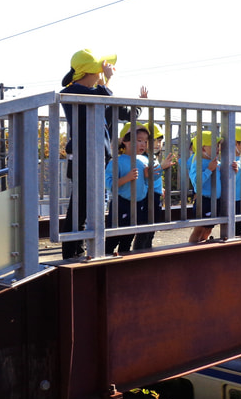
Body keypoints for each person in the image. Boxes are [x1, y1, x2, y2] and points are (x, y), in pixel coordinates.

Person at [59, 49, 131, 259]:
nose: (102, 72)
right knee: (81, 204)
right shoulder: (74, 91)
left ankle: (78, 248)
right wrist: (107, 80)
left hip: (93, 155)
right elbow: (104, 98)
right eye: (98, 69)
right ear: (90, 71)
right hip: (85, 156)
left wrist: (103, 82)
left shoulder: (84, 90)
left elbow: (105, 100)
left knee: (87, 204)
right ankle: (72, 251)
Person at [105, 122, 152, 255]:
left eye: (145, 141)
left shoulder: (144, 160)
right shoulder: (117, 161)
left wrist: (148, 177)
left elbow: (146, 183)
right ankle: (105, 260)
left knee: (128, 238)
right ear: (125, 141)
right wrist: (127, 178)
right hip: (122, 203)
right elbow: (108, 183)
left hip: (139, 204)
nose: (143, 144)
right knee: (113, 238)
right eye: (139, 140)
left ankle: (124, 261)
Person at [134, 122, 177, 249]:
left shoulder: (151, 156)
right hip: (147, 197)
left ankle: (146, 252)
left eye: (160, 140)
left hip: (154, 195)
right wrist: (161, 167)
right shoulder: (141, 157)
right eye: (154, 140)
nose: (158, 144)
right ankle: (140, 254)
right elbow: (145, 176)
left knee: (151, 230)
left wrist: (159, 188)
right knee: (145, 231)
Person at [188, 131, 230, 243]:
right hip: (204, 200)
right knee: (199, 229)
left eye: (218, 146)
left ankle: (203, 247)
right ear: (203, 149)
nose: (218, 149)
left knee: (208, 229)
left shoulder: (216, 162)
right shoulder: (198, 163)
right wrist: (209, 170)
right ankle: (192, 249)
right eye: (214, 146)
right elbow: (196, 182)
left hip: (215, 200)